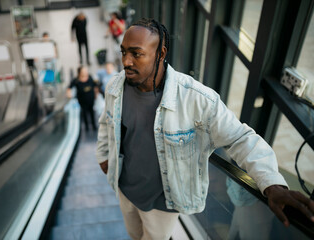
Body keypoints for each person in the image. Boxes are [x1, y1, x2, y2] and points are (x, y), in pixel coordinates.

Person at [96, 18, 314, 240]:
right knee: (134, 235)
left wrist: (272, 183)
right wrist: (103, 154)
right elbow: (106, 122)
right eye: (124, 52)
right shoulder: (116, 86)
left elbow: (241, 139)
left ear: (161, 53)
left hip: (161, 204)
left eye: (136, 53)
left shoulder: (197, 99)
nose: (126, 61)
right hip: (123, 188)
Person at [67, 66, 97, 131]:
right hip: (82, 100)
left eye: (86, 71)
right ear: (80, 72)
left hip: (91, 99)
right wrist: (69, 94)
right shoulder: (76, 80)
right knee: (84, 113)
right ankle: (87, 127)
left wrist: (96, 94)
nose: (86, 72)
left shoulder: (90, 77)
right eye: (84, 71)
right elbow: (69, 87)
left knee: (92, 112)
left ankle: (94, 126)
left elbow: (95, 86)